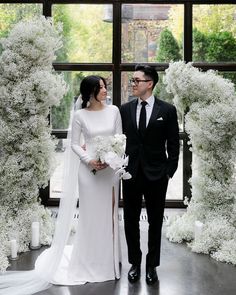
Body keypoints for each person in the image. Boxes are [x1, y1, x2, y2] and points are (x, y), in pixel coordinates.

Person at [0, 75, 122, 294]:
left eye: (105, 87)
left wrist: (112, 158)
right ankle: (87, 260)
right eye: (101, 88)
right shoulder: (80, 116)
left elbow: (120, 138)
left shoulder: (114, 111)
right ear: (91, 92)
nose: (105, 91)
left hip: (109, 171)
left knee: (109, 216)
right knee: (90, 216)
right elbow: (74, 144)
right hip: (89, 172)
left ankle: (110, 262)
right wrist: (89, 160)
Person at [120, 64, 179, 285]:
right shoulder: (125, 109)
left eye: (137, 80)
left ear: (150, 83)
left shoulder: (167, 110)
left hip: (157, 175)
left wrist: (168, 172)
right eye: (132, 80)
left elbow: (174, 144)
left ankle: (152, 265)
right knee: (130, 220)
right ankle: (135, 262)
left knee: (155, 222)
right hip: (131, 174)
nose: (133, 84)